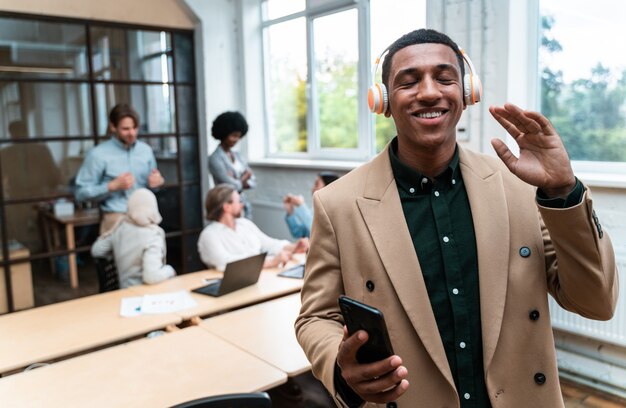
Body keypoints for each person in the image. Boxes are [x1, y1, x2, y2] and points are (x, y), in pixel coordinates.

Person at [295, 29, 618, 407]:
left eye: (445, 78)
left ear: (467, 93)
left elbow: (596, 303)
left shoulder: (518, 188)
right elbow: (315, 317)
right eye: (409, 81)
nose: (430, 92)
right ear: (382, 101)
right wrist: (340, 366)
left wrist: (564, 191)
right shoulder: (338, 204)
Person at [75, 104, 165, 234]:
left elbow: (154, 186)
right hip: (116, 219)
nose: (132, 133)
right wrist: (111, 186)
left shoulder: (146, 151)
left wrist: (158, 182)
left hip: (147, 218)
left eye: (135, 128)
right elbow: (80, 193)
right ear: (113, 127)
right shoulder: (98, 154)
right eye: (126, 129)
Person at [198, 184, 308, 271]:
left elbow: (270, 244)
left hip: (260, 278)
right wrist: (270, 262)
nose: (242, 205)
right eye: (239, 201)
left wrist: (294, 247)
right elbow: (226, 263)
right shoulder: (209, 235)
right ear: (227, 207)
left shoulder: (245, 224)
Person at [90, 188, 175, 288]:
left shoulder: (120, 228)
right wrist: (170, 270)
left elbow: (96, 250)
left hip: (123, 292)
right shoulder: (153, 236)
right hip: (145, 296)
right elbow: (151, 277)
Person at [208, 111, 256, 219]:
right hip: (227, 206)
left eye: (239, 136)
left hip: (243, 205)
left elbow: (252, 179)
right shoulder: (214, 159)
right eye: (233, 136)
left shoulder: (237, 155)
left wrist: (238, 180)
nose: (236, 140)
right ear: (224, 134)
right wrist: (244, 178)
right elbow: (230, 186)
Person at [283, 172, 339, 239]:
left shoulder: (334, 213)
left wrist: (301, 206)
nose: (312, 188)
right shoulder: (314, 209)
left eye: (316, 184)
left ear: (327, 188)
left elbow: (317, 232)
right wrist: (290, 212)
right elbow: (298, 233)